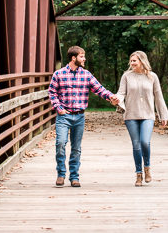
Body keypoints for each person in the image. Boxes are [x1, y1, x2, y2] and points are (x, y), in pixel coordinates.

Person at [48, 45, 119, 188]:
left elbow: (99, 89)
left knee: (76, 148)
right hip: (64, 116)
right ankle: (61, 174)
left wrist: (111, 96)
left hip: (79, 116)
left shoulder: (86, 75)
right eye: (82, 56)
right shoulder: (59, 74)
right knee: (60, 144)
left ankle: (74, 177)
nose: (84, 58)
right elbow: (52, 93)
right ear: (73, 58)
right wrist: (59, 109)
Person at [116, 50, 168, 187]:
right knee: (136, 145)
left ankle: (147, 168)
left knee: (145, 142)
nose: (132, 63)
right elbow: (121, 93)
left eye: (134, 60)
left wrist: (163, 115)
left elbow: (158, 96)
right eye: (131, 60)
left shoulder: (152, 77)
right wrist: (117, 100)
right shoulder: (126, 76)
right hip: (131, 115)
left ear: (142, 61)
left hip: (148, 115)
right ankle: (138, 174)